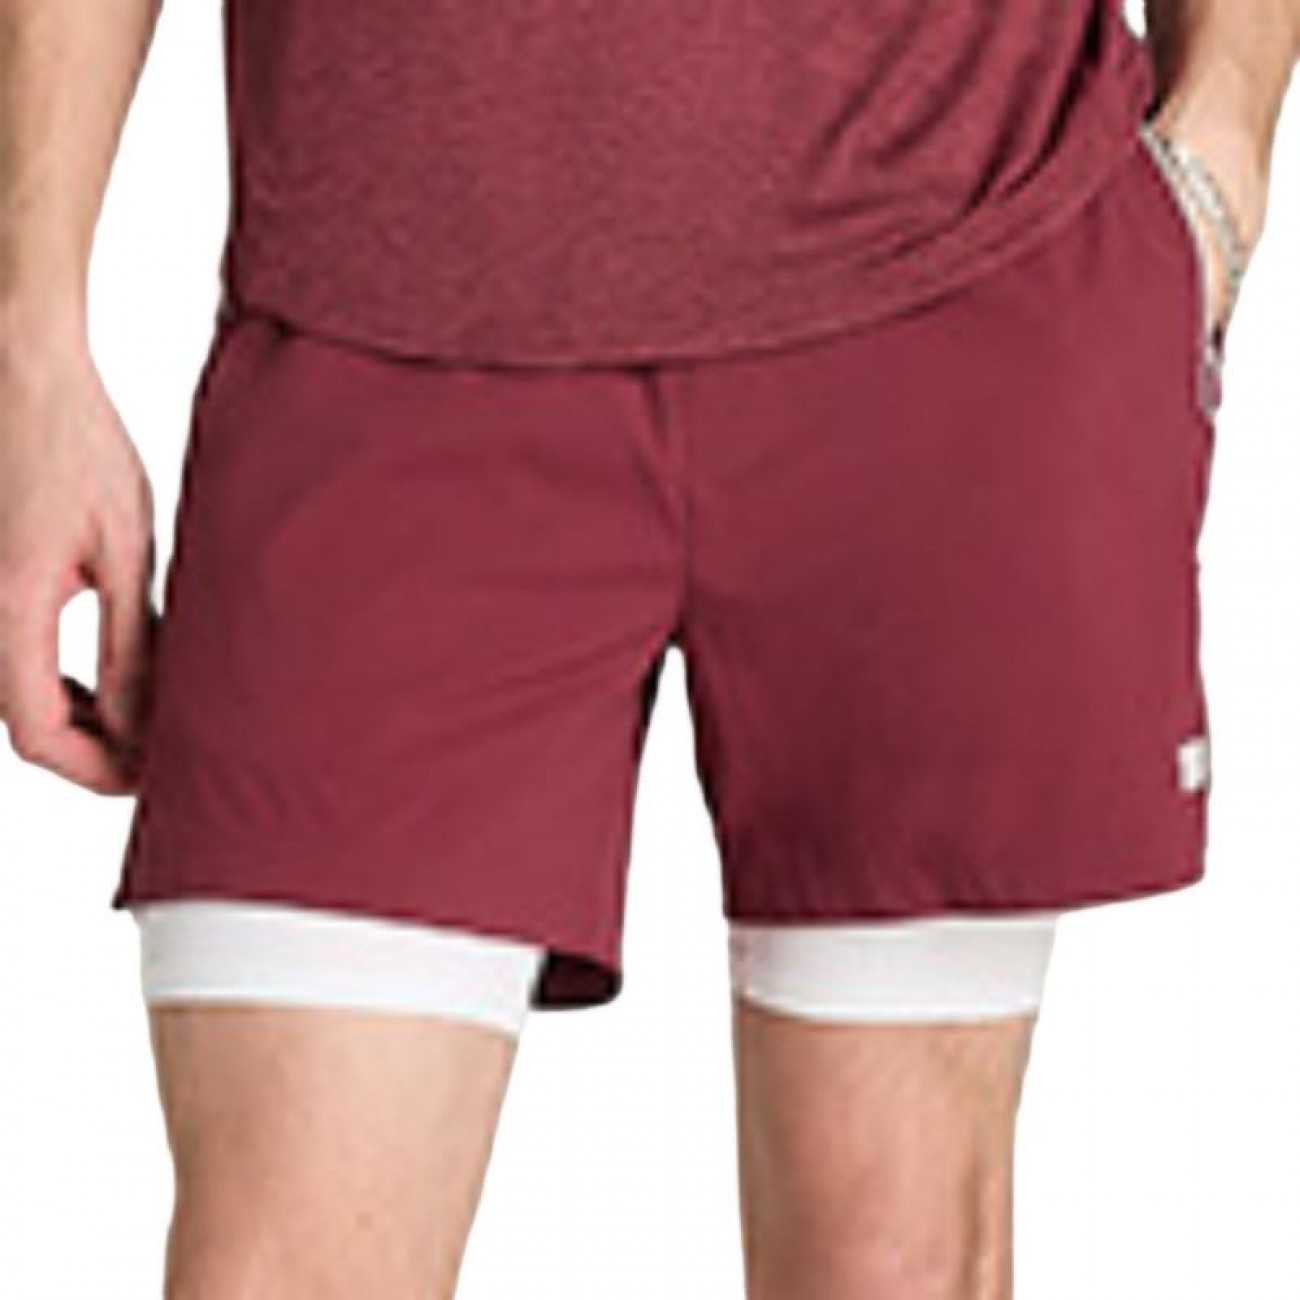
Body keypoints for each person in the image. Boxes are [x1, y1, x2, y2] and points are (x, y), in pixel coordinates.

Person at [1, 2, 1295, 1296]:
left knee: (897, 1257)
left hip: (956, 270)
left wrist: (1224, 143)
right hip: (383, 318)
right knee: (275, 1264)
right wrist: (32, 344)